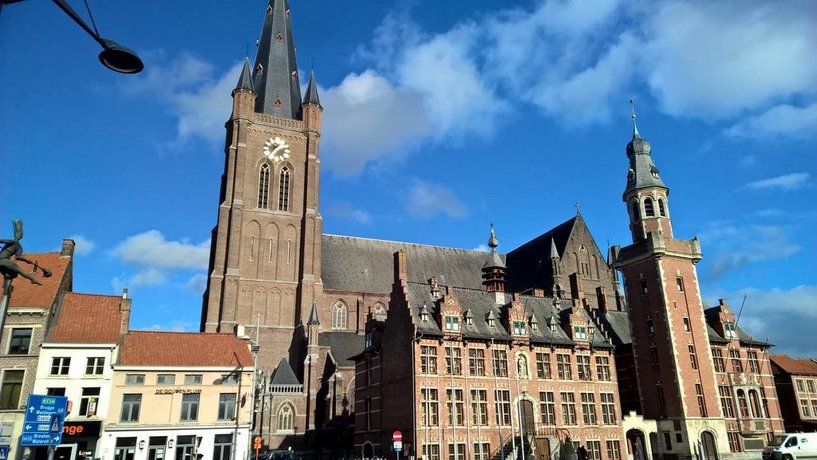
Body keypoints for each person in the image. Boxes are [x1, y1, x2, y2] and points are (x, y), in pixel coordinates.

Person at [0, 220, 44, 286]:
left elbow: (1, 241)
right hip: (4, 261)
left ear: (16, 235)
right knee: (19, 270)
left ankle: (7, 289)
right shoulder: (19, 247)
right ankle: (33, 279)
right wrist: (27, 261)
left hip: (3, 260)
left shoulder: (12, 242)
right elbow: (18, 257)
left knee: (9, 276)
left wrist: (27, 261)